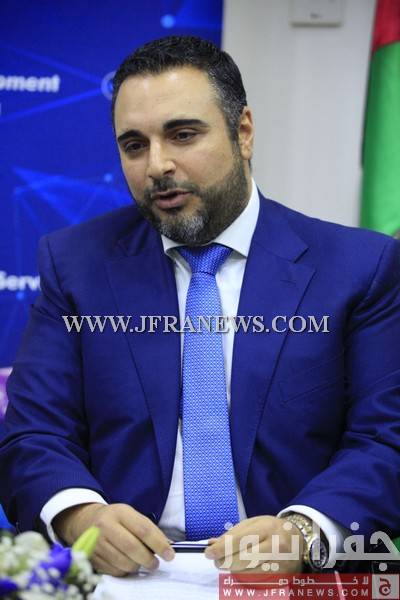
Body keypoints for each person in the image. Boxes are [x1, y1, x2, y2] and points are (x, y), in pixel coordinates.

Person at [1, 35, 400, 578]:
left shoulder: (358, 268)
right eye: (134, 145)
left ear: (243, 132)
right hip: (128, 578)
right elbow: (33, 434)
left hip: (294, 575)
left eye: (183, 135)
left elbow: (385, 438)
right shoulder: (75, 264)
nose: (157, 165)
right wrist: (79, 515)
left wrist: (303, 531)